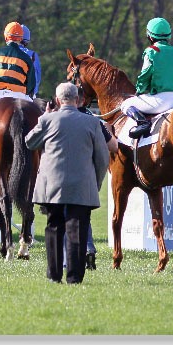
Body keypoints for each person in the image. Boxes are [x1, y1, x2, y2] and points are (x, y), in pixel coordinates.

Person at [25, 83, 109, 284]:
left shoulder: (47, 120)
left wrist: (43, 118)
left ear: (57, 99)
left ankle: (54, 275)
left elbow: (29, 142)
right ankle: (74, 277)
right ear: (78, 99)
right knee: (78, 229)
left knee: (54, 228)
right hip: (82, 185)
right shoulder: (92, 123)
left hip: (52, 186)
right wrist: (95, 182)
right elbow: (103, 158)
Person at [119, 17, 173, 139]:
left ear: (150, 37)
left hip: (162, 100)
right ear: (168, 36)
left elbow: (145, 74)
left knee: (126, 104)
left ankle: (143, 123)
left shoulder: (152, 51)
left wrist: (139, 90)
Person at [73, 86, 119, 270]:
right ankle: (88, 249)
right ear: (84, 100)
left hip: (59, 175)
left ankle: (71, 257)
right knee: (84, 214)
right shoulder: (94, 121)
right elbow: (113, 146)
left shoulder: (53, 118)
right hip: (88, 174)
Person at [0, 21, 36, 107]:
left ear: (6, 37)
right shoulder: (26, 58)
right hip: (19, 97)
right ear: (20, 38)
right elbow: (31, 85)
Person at [18, 24, 42, 98]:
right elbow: (37, 79)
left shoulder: (1, 53)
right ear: (27, 40)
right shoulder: (32, 54)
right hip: (27, 95)